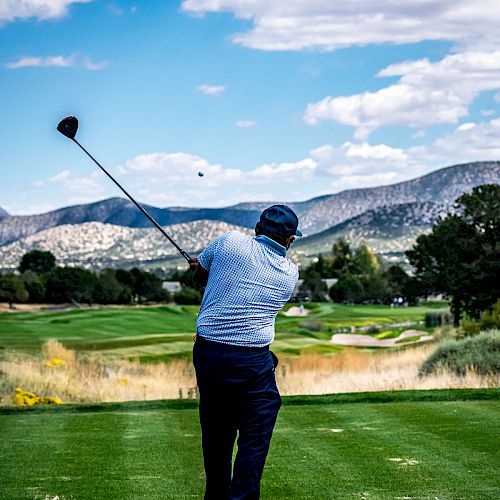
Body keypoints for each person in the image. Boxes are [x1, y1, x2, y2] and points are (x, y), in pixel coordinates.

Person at [189, 205, 301, 500]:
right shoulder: (289, 273)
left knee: (217, 430)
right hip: (251, 359)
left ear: (257, 228)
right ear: (289, 241)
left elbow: (200, 278)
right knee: (256, 430)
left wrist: (198, 268)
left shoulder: (229, 241)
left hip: (209, 354)